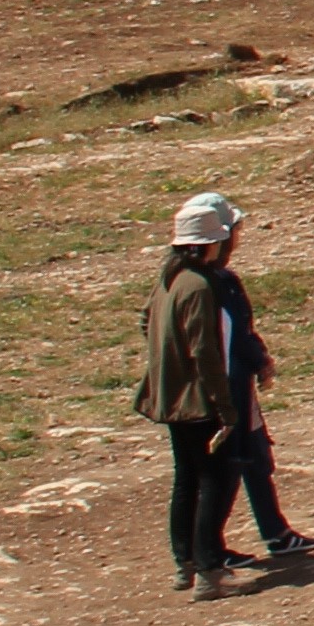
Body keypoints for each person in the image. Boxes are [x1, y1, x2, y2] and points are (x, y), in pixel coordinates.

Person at [138, 193, 247, 599]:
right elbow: (206, 351)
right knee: (211, 481)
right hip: (197, 400)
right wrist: (225, 406)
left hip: (169, 397)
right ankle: (209, 571)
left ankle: (184, 563)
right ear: (209, 243)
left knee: (186, 478)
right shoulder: (199, 286)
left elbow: (145, 323)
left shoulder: (167, 280)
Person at [203, 194, 314, 567]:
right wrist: (259, 359)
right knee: (230, 465)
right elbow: (232, 336)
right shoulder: (215, 284)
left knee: (253, 457)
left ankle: (275, 533)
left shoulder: (197, 281)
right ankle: (208, 550)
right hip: (226, 391)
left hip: (233, 386)